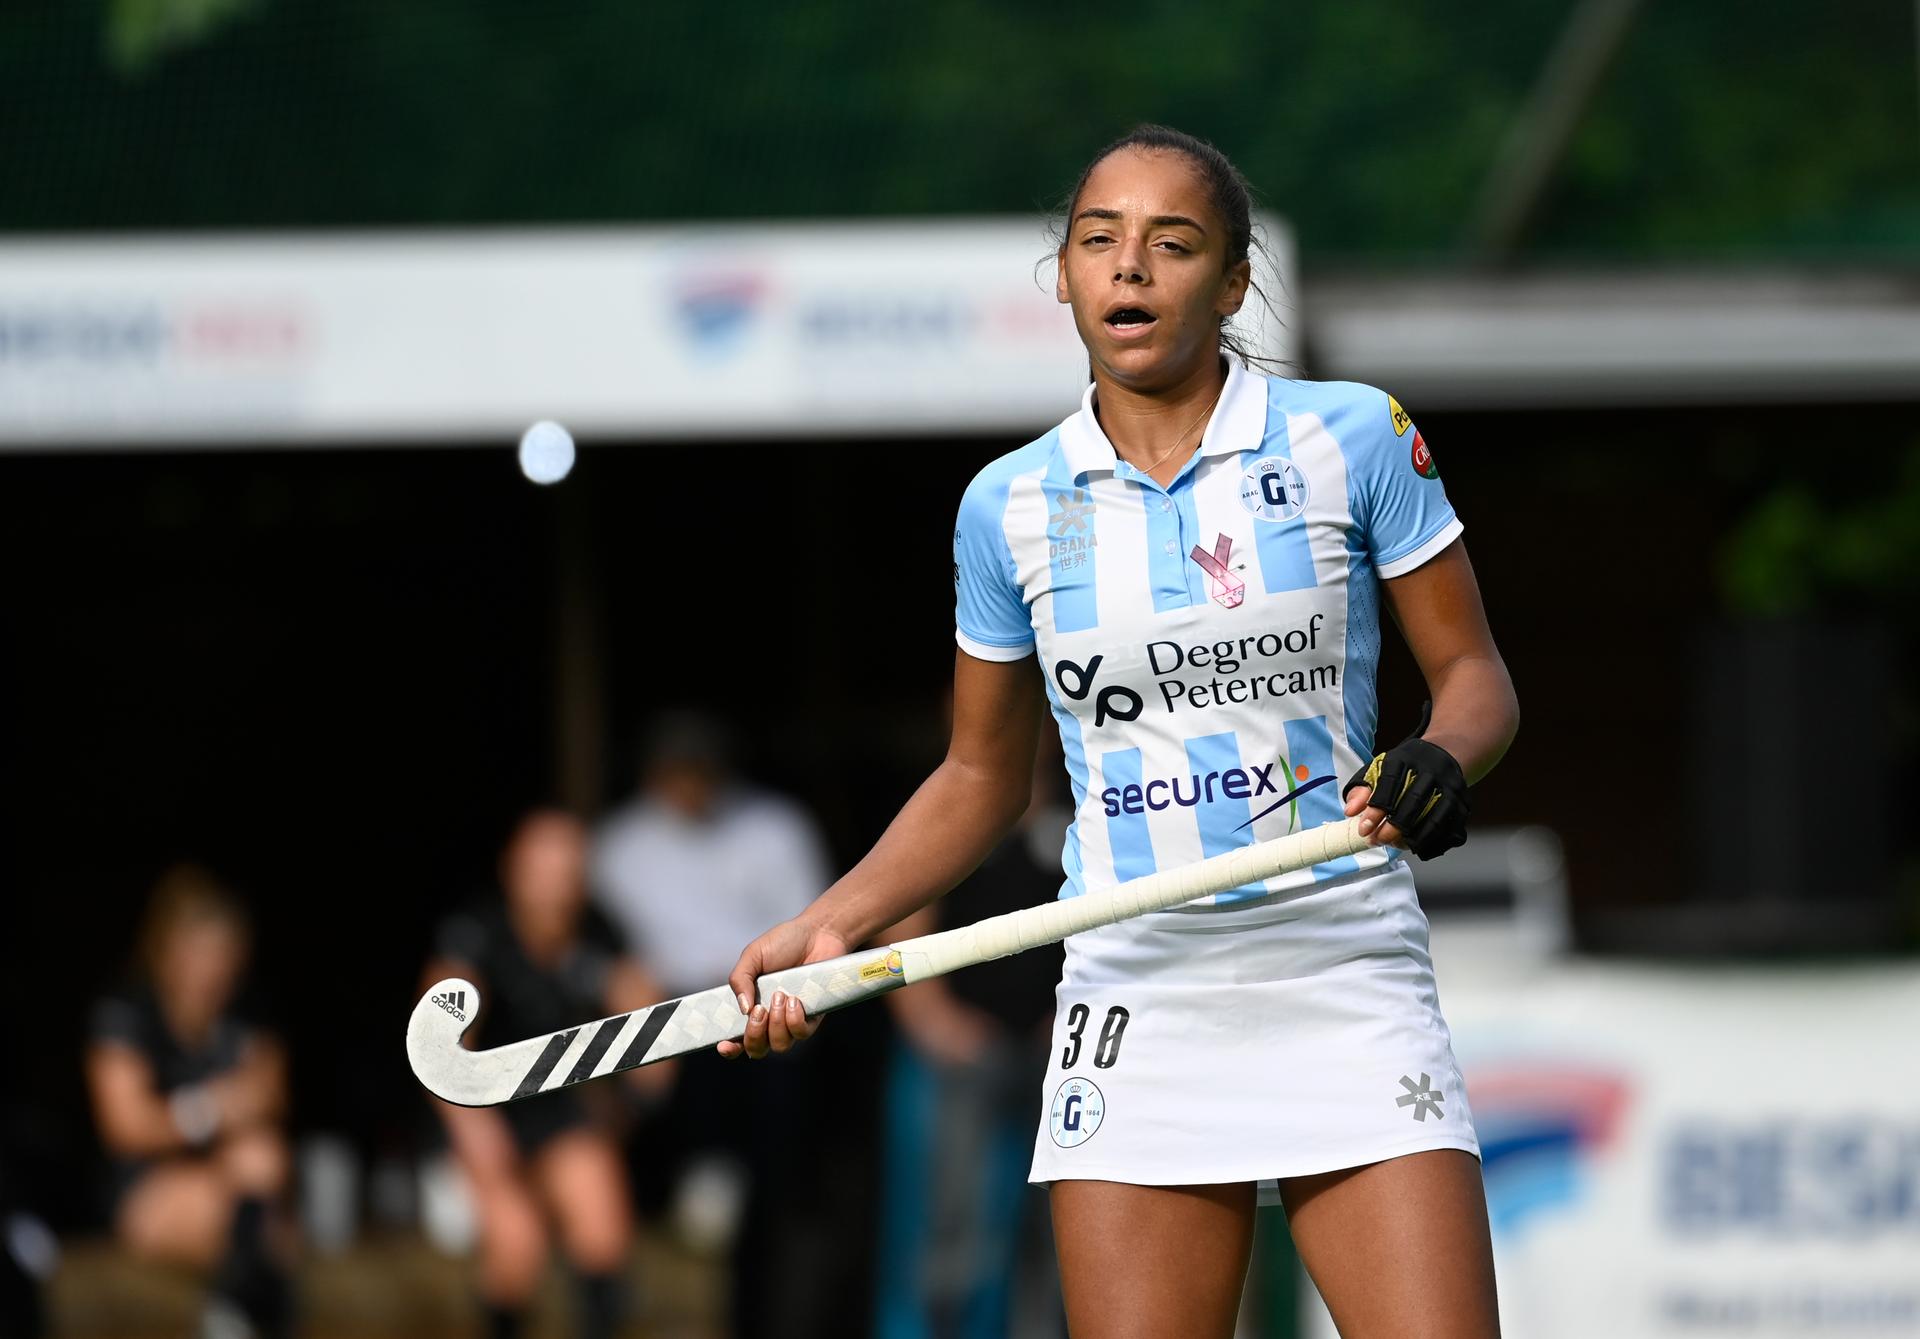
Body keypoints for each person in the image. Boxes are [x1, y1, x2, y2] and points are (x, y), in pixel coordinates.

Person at [719, 124, 1520, 1339]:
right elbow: (982, 776)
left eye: (1171, 242)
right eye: (1100, 240)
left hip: (1344, 972)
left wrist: (1438, 756)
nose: (1130, 267)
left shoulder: (1351, 436)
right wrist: (829, 928)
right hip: (1137, 995)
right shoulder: (1009, 507)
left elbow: (1476, 679)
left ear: (1234, 282)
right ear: (1068, 277)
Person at [591, 712, 833, 1337]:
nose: (691, 787)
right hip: (656, 1025)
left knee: (769, 1191)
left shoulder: (775, 828)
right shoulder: (618, 845)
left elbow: (814, 937)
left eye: (702, 772)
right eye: (677, 772)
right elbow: (596, 953)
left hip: (757, 1011)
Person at [425, 807, 669, 1339]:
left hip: (561, 1114)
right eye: (542, 870)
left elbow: (655, 1040)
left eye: (568, 871)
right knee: (517, 1245)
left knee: (602, 1223)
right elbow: (437, 1038)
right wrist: (473, 1130)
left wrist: (622, 1109)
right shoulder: (475, 934)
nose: (554, 887)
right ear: (513, 868)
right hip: (484, 1115)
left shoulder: (603, 935)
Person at [874, 731, 1068, 1339]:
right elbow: (898, 916)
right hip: (962, 1059)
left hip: (1056, 1053)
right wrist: (937, 1024)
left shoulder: (1079, 806)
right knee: (952, 1235)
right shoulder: (951, 808)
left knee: (1056, 1234)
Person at [85, 865, 293, 1339]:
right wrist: (211, 1109)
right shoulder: (127, 1012)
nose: (214, 966)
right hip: (143, 1192)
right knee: (239, 1217)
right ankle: (240, 1308)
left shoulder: (245, 1016)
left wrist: (230, 1109)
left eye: (225, 951)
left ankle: (238, 1308)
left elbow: (270, 1095)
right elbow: (126, 1126)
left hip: (231, 1177)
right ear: (168, 948)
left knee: (263, 1158)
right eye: (201, 949)